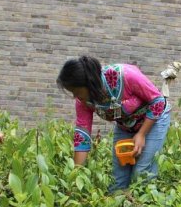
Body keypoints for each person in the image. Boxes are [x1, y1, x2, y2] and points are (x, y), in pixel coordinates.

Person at [57, 56, 171, 192]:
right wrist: (76, 175)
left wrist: (141, 134)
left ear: (88, 83)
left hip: (154, 119)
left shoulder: (126, 75)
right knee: (118, 181)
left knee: (142, 174)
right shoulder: (83, 102)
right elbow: (82, 136)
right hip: (125, 125)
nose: (75, 96)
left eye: (76, 91)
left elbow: (158, 101)